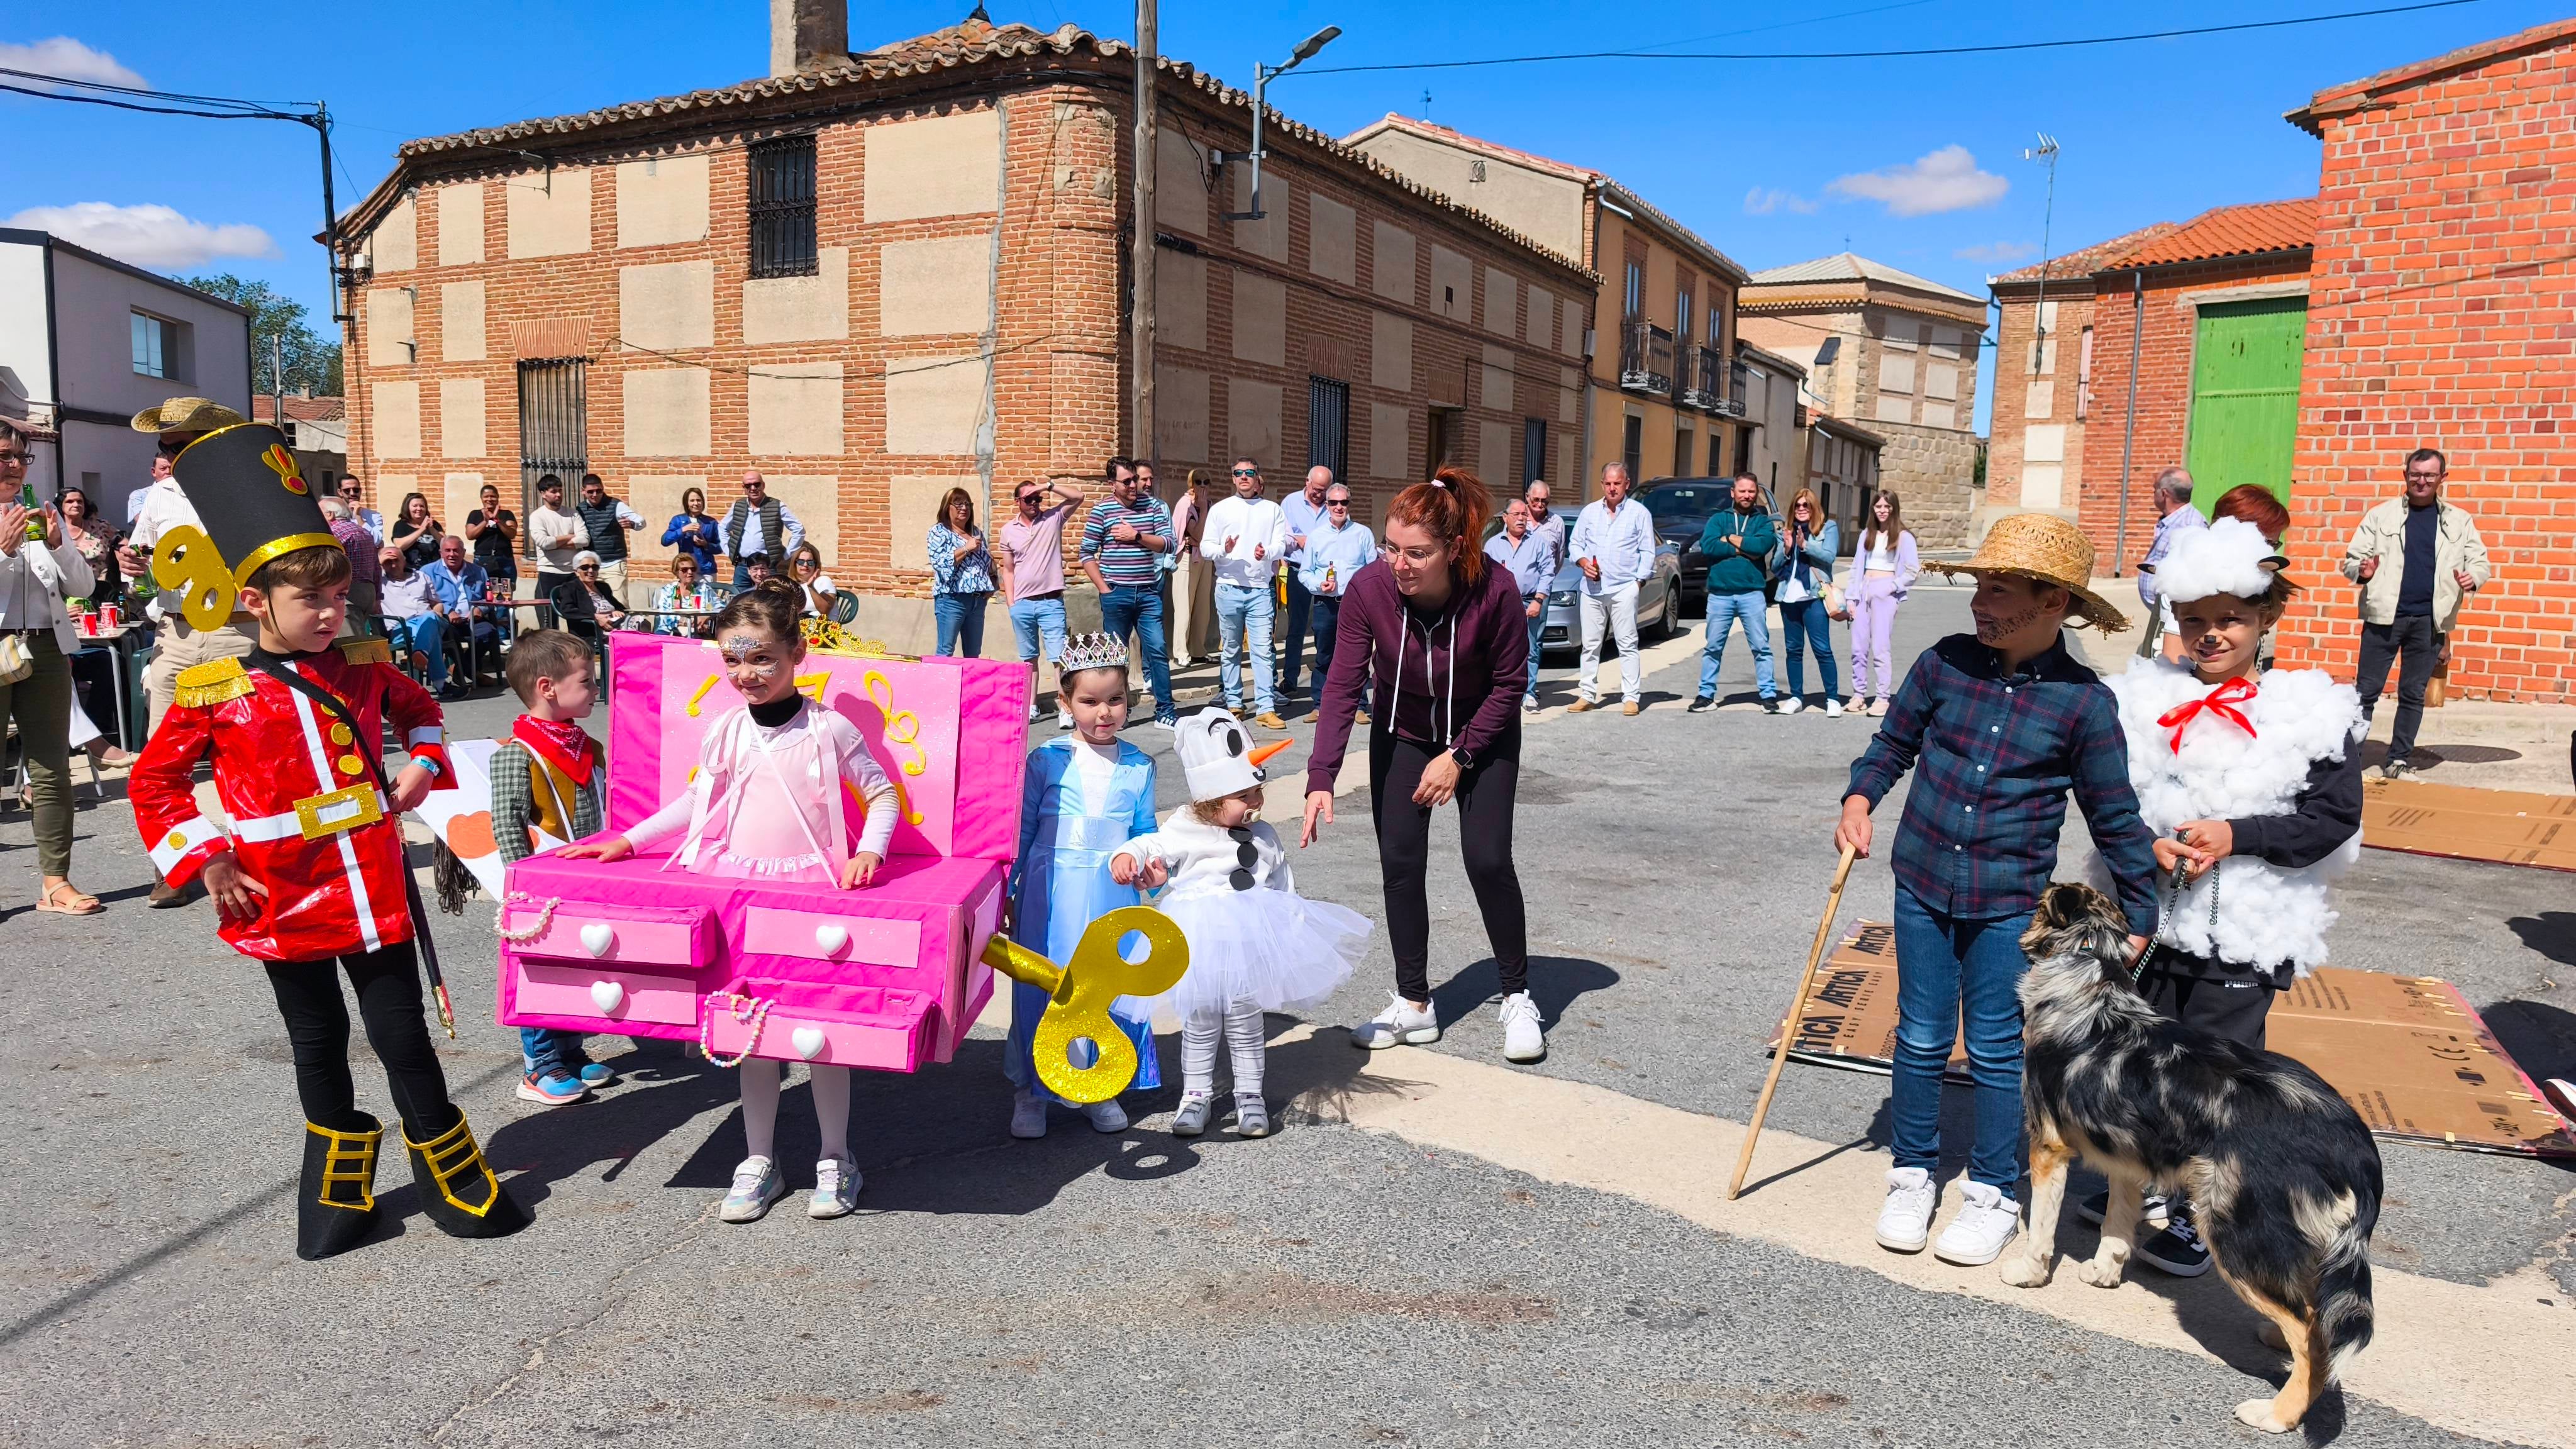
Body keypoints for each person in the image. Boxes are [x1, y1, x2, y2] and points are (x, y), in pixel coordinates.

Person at [126, 425, 525, 1258]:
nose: (331, 614)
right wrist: (208, 858)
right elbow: (155, 784)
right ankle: (341, 1186)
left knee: (401, 1036)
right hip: (278, 896)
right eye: (312, 601)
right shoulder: (216, 691)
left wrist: (423, 761)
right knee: (316, 1044)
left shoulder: (366, 665)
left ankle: (451, 1174)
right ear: (254, 602)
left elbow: (421, 711)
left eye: (339, 598)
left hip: (372, 887)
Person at [1835, 514, 2159, 1270]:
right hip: (1920, 881)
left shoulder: (2082, 704)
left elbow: (2114, 815)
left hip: (2008, 899)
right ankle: (1912, 1173)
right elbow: (1892, 745)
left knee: (1991, 1045)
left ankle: (1991, 1189)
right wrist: (1859, 799)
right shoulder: (1943, 663)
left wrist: (2139, 916)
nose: (1979, 602)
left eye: (1999, 589)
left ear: (2053, 604)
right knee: (1917, 1034)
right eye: (1979, 584)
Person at [558, 581, 899, 1223]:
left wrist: (870, 852)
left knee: (821, 1033)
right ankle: (759, 1160)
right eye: (734, 660)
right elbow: (699, 803)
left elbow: (880, 796)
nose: (747, 673)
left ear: (798, 653)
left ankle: (836, 1157)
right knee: (752, 1033)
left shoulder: (829, 729)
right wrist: (628, 840)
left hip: (809, 894)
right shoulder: (724, 730)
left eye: (762, 657)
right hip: (738, 891)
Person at [2086, 517, 2365, 1278]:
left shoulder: (2309, 711)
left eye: (2231, 620)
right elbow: (2107, 792)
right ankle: (2134, 1189)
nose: (2211, 635)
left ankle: (2199, 1210)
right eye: (2196, 621)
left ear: (2266, 617)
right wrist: (2146, 842)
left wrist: (2236, 834)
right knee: (2137, 1057)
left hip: (2242, 932)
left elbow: (2332, 820)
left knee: (2215, 1077)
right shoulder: (2140, 698)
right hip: (2147, 919)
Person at [1302, 468, 1542, 1065]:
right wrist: (1321, 776)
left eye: (1417, 553)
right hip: (1403, 734)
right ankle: (1415, 1005)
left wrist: (1459, 756)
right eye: (1391, 548)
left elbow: (1511, 685)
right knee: (1401, 865)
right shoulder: (1368, 590)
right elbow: (1342, 684)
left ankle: (1517, 995)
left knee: (1487, 860)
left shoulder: (1498, 590)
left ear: (1454, 549)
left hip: (1481, 736)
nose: (1400, 564)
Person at [1117, 707, 1367, 1138]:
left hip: (1249, 939)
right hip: (1197, 941)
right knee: (1200, 1018)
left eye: (1258, 792)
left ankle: (1250, 1095)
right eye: (1244, 796)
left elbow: (1282, 883)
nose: (1256, 803)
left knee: (1246, 1019)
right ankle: (1195, 1096)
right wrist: (1127, 857)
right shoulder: (1183, 828)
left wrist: (1290, 928)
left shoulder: (1266, 835)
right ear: (1212, 799)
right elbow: (1150, 843)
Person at [1003, 633, 1162, 1138]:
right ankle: (1034, 1088)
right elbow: (1023, 830)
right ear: (1065, 699)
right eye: (1090, 701)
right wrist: (1007, 889)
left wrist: (1151, 868)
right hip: (1048, 895)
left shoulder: (1139, 765)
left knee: (1103, 986)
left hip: (1111, 895)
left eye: (1115, 699)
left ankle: (1101, 1084)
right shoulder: (1047, 759)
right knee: (1047, 982)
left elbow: (1144, 832)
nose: (1104, 713)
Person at [486, 631, 619, 1107]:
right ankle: (539, 1066)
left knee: (579, 968)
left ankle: (571, 1050)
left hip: (588, 880)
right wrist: (522, 891)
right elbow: (507, 827)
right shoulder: (516, 756)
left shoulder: (590, 747)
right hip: (540, 891)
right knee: (540, 972)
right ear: (548, 687)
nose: (596, 689)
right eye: (587, 681)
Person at [0, 418, 102, 915]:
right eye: (3, 456)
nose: (14, 466)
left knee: (52, 769)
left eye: (20, 457)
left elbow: (83, 589)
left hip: (44, 648)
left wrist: (61, 544)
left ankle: (55, 882)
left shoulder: (37, 517)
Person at [2342, 447, 2489, 780]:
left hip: (2430, 622)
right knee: (2366, 692)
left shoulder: (2459, 520)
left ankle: (2398, 761)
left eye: (2429, 475)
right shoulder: (2381, 516)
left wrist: (2473, 577)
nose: (2421, 481)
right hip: (2384, 618)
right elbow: (2351, 560)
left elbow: (2480, 562)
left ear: (2442, 479)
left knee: (2412, 694)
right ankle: (2350, 764)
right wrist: (2362, 571)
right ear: (2405, 475)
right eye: (2415, 474)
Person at [124, 397, 260, 755]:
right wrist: (133, 565)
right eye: (163, 446)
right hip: (175, 631)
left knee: (244, 752)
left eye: (179, 446)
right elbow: (144, 557)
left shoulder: (250, 488)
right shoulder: (159, 494)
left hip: (239, 629)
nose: (169, 456)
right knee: (162, 756)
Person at [1079, 456, 1179, 729]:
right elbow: (1086, 553)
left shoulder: (1154, 507)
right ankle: (1117, 713)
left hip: (1148, 593)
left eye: (1135, 479)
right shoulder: (1102, 511)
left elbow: (1170, 544)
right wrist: (1104, 588)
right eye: (1127, 481)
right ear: (1113, 484)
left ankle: (1166, 711)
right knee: (1114, 658)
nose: (1134, 485)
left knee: (1157, 650)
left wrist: (1137, 536)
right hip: (1116, 594)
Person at [1201, 456, 1289, 730]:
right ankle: (1234, 704)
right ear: (1232, 478)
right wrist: (1224, 551)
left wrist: (1268, 553)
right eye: (1238, 473)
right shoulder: (1221, 509)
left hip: (1261, 589)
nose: (1243, 477)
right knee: (1230, 649)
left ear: (1257, 477)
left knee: (1263, 650)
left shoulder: (1272, 510)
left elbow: (1281, 545)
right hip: (1228, 587)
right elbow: (1206, 548)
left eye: (1249, 472)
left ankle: (1265, 707)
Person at [1565, 462, 1656, 716]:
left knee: (1627, 643)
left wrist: (1638, 582)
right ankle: (1587, 694)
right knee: (1590, 645)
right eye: (1608, 483)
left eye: (1617, 483)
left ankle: (1630, 697)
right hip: (1592, 589)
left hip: (1624, 587)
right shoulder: (1590, 512)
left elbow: (1648, 551)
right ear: (1602, 484)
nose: (1612, 488)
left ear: (1627, 484)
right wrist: (1583, 562)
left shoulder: (1639, 513)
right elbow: (1575, 545)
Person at [1689, 473, 1781, 715]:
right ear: (1733, 493)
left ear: (1756, 494)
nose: (1747, 496)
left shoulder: (1763, 522)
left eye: (1751, 491)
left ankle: (1769, 695)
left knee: (1761, 647)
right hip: (1720, 594)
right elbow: (1708, 546)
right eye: (1742, 491)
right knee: (1713, 648)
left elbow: (1761, 547)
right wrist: (1743, 547)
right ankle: (1705, 694)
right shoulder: (1718, 519)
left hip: (1752, 593)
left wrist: (1728, 539)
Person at [996, 478, 1082, 726]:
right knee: (1028, 659)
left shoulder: (1053, 519)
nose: (1034, 502)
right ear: (1018, 502)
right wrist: (1012, 604)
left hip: (1051, 602)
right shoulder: (1008, 530)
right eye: (1029, 499)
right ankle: (1030, 706)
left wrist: (1047, 486)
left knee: (1060, 657)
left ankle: (1066, 707)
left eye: (1037, 498)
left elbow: (1078, 497)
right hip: (1022, 604)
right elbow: (1008, 569)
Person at [1299, 481, 1378, 719]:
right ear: (1326, 505)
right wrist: (1318, 585)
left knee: (1357, 655)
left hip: (1355, 605)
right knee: (1324, 655)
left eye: (1343, 502)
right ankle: (1320, 704)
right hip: (1326, 603)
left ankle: (1360, 706)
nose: (1339, 507)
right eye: (1333, 502)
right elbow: (1305, 572)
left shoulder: (1363, 533)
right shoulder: (1316, 536)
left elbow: (1373, 569)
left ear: (1349, 504)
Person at [1772, 489, 1843, 717]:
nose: (1802, 509)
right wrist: (1786, 548)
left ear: (1814, 508)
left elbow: (1829, 557)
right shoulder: (1786, 531)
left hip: (1813, 595)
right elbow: (1775, 567)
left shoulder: (1827, 528)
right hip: (1789, 595)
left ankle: (1832, 698)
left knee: (1822, 648)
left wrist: (1805, 546)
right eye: (1798, 506)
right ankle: (1796, 697)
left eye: (1806, 505)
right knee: (1793, 649)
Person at [1847, 491, 1919, 716]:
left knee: (1880, 647)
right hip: (1864, 589)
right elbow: (1856, 567)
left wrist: (1893, 586)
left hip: (1885, 591)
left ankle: (1882, 697)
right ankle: (1858, 694)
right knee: (1858, 648)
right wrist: (1851, 597)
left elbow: (1912, 570)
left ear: (1894, 509)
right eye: (1878, 506)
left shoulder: (1903, 537)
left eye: (1887, 506)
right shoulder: (1866, 534)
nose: (1882, 510)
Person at [1486, 499, 1558, 716]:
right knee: (1500, 649)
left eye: (1524, 515)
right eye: (1516, 515)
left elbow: (1548, 571)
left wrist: (1538, 599)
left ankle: (1529, 694)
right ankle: (1501, 693)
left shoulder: (1538, 543)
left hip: (1531, 601)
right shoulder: (1493, 544)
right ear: (1505, 518)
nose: (1521, 519)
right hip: (1502, 604)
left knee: (1531, 648)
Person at [2135, 466, 2206, 661]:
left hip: (2173, 617)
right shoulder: (2173, 521)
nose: (2154, 494)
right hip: (2162, 612)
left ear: (2164, 493)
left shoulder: (2191, 526)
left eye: (2154, 489)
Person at [1278, 464, 1335, 701]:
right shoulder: (1290, 503)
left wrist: (1307, 540)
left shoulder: (1334, 505)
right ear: (1307, 482)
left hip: (1324, 574)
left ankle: (1326, 683)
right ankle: (1290, 679)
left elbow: (1336, 537)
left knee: (1325, 629)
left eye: (1324, 490)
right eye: (1316, 488)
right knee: (1296, 628)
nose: (1319, 494)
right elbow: (1282, 537)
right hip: (1297, 571)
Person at [421, 535, 504, 694]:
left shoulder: (478, 571)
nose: (452, 554)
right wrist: (446, 610)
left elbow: (489, 597)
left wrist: (481, 609)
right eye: (448, 551)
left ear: (464, 552)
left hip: (472, 619)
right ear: (441, 553)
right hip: (445, 621)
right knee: (449, 636)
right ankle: (472, 673)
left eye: (456, 551)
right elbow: (424, 600)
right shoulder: (428, 572)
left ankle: (459, 669)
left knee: (489, 632)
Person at [926, 486, 996, 658]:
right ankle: (942, 686)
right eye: (958, 504)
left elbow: (988, 561)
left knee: (973, 655)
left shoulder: (976, 532)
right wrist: (966, 548)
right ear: (946, 507)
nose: (964, 508)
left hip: (977, 602)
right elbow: (941, 564)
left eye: (967, 504)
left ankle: (969, 687)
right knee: (945, 651)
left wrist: (993, 584)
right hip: (952, 600)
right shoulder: (938, 532)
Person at [377, 543, 452, 693]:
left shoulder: (421, 576)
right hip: (402, 628)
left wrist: (436, 613)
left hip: (430, 619)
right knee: (431, 632)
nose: (392, 565)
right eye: (387, 562)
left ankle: (421, 652)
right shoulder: (379, 582)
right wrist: (379, 562)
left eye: (396, 560)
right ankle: (440, 684)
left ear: (404, 560)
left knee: (430, 620)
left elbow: (437, 604)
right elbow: (359, 577)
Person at [719, 471, 804, 594]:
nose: (753, 488)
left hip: (767, 567)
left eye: (756, 484)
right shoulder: (738, 506)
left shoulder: (776, 506)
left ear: (763, 485)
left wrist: (786, 555)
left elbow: (799, 530)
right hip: (743, 566)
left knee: (770, 601)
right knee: (739, 603)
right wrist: (729, 551)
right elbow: (722, 528)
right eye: (748, 486)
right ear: (744, 488)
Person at [574, 474, 645, 606]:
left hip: (614, 564)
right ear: (583, 491)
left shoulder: (616, 505)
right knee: (594, 605)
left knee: (619, 604)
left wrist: (632, 524)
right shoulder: (580, 509)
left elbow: (641, 521)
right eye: (590, 492)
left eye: (599, 491)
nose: (595, 495)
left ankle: (624, 627)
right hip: (591, 567)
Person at [526, 474, 587, 628]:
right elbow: (544, 543)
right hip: (549, 573)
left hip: (571, 573)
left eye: (560, 490)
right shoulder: (537, 517)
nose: (559, 495)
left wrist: (556, 542)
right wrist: (570, 537)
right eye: (554, 491)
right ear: (543, 493)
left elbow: (585, 539)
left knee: (577, 618)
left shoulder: (572, 513)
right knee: (550, 621)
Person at [1167, 467, 1210, 668]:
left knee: (1202, 607)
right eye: (1198, 482)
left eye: (1206, 482)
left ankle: (1198, 650)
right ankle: (1181, 652)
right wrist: (1202, 510)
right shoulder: (1185, 504)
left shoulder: (1208, 504)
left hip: (1204, 557)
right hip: (1185, 557)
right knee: (1184, 607)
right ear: (1191, 483)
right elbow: (1199, 534)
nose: (1202, 486)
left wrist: (1204, 508)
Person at [58, 486, 119, 607]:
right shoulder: (55, 530)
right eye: (70, 501)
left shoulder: (101, 527)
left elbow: (121, 542)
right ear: (61, 506)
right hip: (65, 592)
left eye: (80, 501)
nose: (76, 504)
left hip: (100, 591)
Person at [323, 497, 382, 616]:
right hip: (368, 592)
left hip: (346, 594)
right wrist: (377, 597)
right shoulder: (365, 533)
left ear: (330, 514)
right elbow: (377, 567)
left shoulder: (333, 534)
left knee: (349, 634)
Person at [465, 482, 520, 599]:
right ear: (482, 499)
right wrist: (485, 521)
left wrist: (497, 520)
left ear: (498, 498)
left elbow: (512, 534)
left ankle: (504, 617)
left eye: (493, 496)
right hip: (483, 561)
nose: (490, 499)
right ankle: (488, 616)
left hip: (505, 561)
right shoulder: (475, 515)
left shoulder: (507, 514)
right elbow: (470, 535)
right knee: (485, 593)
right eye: (486, 497)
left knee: (505, 595)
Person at [650, 553, 716, 637]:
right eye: (685, 570)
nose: (690, 572)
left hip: (697, 632)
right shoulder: (668, 591)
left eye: (693, 569)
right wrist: (691, 622)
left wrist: (706, 616)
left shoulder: (704, 590)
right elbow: (665, 617)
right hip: (669, 632)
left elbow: (723, 608)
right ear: (676, 572)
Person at [662, 484, 719, 578]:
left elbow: (720, 547)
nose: (696, 503)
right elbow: (665, 541)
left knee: (707, 593)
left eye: (699, 500)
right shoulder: (678, 520)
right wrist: (683, 530)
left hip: (706, 570)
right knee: (686, 593)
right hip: (686, 570)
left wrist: (706, 545)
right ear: (687, 504)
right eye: (692, 501)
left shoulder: (711, 522)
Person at [389, 491, 443, 573]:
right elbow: (400, 546)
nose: (419, 509)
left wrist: (432, 529)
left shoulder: (435, 525)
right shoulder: (401, 525)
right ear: (407, 508)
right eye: (415, 506)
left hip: (435, 572)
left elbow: (445, 544)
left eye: (422, 506)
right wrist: (422, 529)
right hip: (411, 572)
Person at [786, 541, 837, 619]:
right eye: (801, 562)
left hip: (821, 628)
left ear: (816, 565)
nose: (805, 565)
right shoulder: (792, 585)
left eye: (810, 562)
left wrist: (810, 587)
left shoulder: (823, 581)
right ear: (794, 564)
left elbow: (825, 611)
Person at [335, 477, 385, 543]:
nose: (352, 493)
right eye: (347, 491)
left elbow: (376, 541)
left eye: (356, 490)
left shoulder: (374, 516)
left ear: (361, 491)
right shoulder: (334, 515)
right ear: (340, 492)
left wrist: (359, 518)